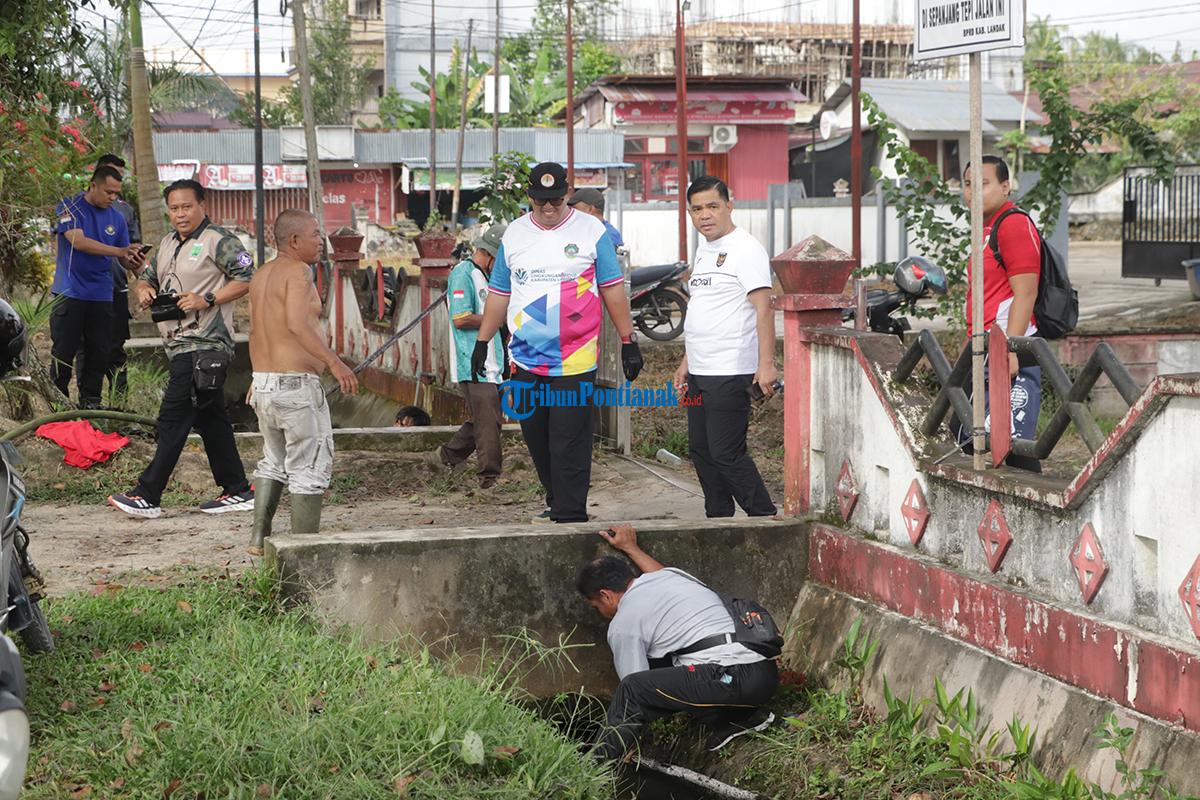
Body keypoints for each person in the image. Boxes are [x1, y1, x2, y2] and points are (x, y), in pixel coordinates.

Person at [472, 162, 643, 524]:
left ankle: (571, 512)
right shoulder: (514, 235)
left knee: (569, 439)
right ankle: (557, 499)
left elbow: (612, 289)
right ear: (529, 197)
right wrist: (483, 341)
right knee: (537, 437)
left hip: (576, 359)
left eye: (555, 200)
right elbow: (500, 293)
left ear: (567, 193)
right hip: (524, 359)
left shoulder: (591, 231)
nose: (548, 207)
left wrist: (628, 340)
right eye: (540, 201)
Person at [108, 179, 256, 519]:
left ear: (202, 205)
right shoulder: (167, 242)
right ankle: (237, 489)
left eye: (187, 207)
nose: (180, 214)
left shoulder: (219, 240)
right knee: (210, 419)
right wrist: (144, 290)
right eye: (174, 208)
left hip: (204, 343)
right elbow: (147, 276)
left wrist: (207, 298)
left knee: (172, 418)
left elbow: (248, 277)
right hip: (178, 344)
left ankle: (147, 494)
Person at [578, 523, 778, 761]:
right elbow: (657, 571)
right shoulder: (672, 577)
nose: (600, 613)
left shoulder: (623, 623)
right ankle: (737, 720)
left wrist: (629, 738)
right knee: (669, 662)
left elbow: (635, 693)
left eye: (596, 607)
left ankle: (596, 766)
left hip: (731, 678)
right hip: (763, 673)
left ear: (606, 595)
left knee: (632, 689)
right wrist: (631, 548)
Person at [245, 209, 358, 555]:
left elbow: (255, 330)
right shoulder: (298, 271)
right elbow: (296, 325)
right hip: (295, 386)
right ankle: (302, 552)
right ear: (294, 240)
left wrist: (258, 376)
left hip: (264, 383)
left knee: (274, 459)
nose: (321, 241)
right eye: (315, 234)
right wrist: (335, 363)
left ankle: (258, 538)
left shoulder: (261, 274)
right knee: (309, 466)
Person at [672, 176, 777, 518]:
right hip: (700, 370)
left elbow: (764, 309)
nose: (705, 215)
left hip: (730, 370)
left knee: (726, 452)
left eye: (712, 206)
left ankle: (764, 516)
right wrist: (686, 362)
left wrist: (766, 364)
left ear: (729, 206)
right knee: (700, 449)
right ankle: (718, 518)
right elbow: (704, 309)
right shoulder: (704, 250)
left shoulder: (746, 249)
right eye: (697, 209)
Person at [959, 155, 1043, 473]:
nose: (972, 192)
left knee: (1010, 444)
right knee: (973, 438)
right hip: (983, 347)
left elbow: (1026, 292)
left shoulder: (1013, 224)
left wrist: (1011, 350)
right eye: (968, 184)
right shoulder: (985, 229)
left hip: (1008, 347)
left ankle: (1035, 500)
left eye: (982, 184)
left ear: (1005, 187)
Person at [51, 165, 145, 407]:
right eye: (108, 192)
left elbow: (124, 258)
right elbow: (78, 241)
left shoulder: (117, 218)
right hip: (70, 291)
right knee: (64, 351)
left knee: (98, 352)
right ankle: (57, 403)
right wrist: (119, 251)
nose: (112, 198)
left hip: (102, 295)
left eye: (116, 193)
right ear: (93, 185)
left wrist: (133, 260)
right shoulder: (69, 206)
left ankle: (91, 402)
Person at [436, 223, 507, 489]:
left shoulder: (485, 276)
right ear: (490, 254)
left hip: (492, 362)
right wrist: (496, 318)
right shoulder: (463, 274)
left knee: (485, 417)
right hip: (473, 361)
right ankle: (489, 477)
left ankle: (447, 456)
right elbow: (461, 318)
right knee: (489, 422)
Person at [75, 153, 141, 406]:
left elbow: (133, 249)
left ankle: (119, 404)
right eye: (111, 177)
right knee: (85, 348)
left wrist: (143, 279)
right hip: (84, 291)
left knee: (115, 349)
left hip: (115, 290)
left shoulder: (125, 210)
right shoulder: (76, 207)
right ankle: (87, 403)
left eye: (119, 179)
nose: (114, 187)